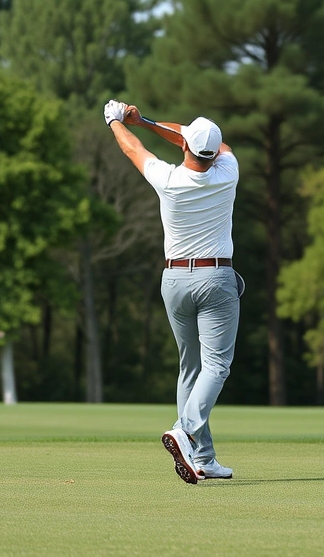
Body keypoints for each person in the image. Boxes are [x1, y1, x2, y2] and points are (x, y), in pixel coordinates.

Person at [103, 99, 243, 484]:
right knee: (217, 366)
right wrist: (146, 122)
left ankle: (203, 457)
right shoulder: (228, 169)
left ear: (184, 146)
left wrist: (121, 121)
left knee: (191, 368)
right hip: (215, 280)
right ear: (213, 153)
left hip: (174, 282)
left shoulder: (167, 179)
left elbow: (133, 148)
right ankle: (185, 430)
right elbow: (198, 142)